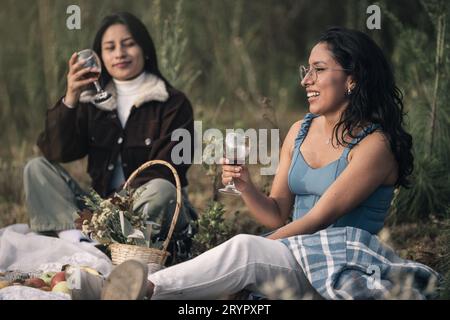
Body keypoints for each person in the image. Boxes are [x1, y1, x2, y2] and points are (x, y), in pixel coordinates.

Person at [70, 27, 440, 300]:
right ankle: (114, 288)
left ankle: (140, 289)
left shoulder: (375, 145)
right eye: (305, 71)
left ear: (352, 79)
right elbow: (280, 213)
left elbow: (316, 220)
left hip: (340, 258)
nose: (306, 81)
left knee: (243, 251)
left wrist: (258, 245)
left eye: (318, 70)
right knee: (231, 269)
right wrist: (246, 187)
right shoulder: (300, 130)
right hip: (294, 252)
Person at [23, 12, 197, 252]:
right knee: (37, 168)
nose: (119, 54)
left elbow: (168, 170)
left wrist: (111, 213)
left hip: (148, 211)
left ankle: (109, 244)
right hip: (100, 213)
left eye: (129, 44)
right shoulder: (93, 102)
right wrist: (71, 97)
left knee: (162, 189)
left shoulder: (173, 103)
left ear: (144, 48)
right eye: (110, 47)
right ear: (101, 57)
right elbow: (55, 151)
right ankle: (83, 244)